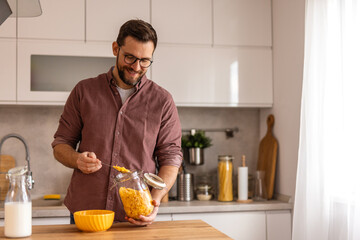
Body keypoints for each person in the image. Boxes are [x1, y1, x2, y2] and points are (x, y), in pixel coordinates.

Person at [51, 19, 183, 226]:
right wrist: (77, 159)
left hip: (135, 215)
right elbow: (60, 145)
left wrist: (154, 202)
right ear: (115, 48)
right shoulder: (84, 91)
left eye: (145, 60)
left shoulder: (163, 101)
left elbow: (171, 158)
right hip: (86, 214)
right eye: (130, 57)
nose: (136, 67)